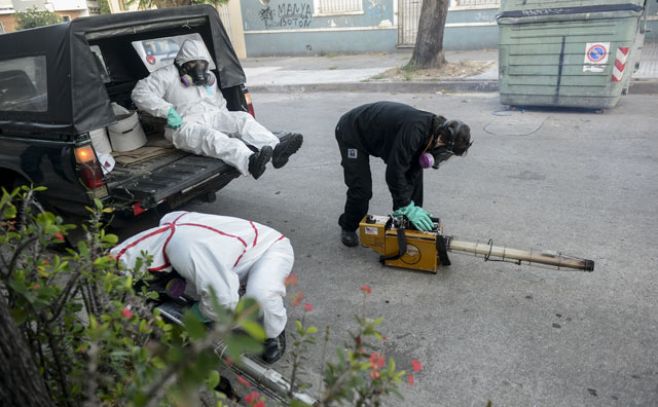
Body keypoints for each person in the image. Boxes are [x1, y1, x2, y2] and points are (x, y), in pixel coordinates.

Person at [110, 211, 293, 364]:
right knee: (217, 284)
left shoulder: (186, 249)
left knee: (261, 295)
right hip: (238, 250)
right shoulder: (169, 227)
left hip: (268, 247)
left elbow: (223, 301)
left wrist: (200, 313)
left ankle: (274, 332)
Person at [132, 39, 302, 180]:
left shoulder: (208, 78)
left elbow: (218, 103)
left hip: (212, 116)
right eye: (193, 64)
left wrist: (227, 120)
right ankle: (249, 161)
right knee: (212, 137)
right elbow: (140, 93)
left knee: (242, 119)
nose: (199, 69)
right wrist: (167, 111)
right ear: (182, 64)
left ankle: (276, 149)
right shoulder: (166, 75)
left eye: (202, 64)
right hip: (184, 125)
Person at [335, 101, 472, 247]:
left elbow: (412, 173)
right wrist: (404, 205)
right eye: (447, 152)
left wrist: (411, 209)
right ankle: (348, 226)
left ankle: (406, 224)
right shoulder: (415, 132)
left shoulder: (438, 131)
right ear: (440, 140)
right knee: (361, 188)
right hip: (353, 132)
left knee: (414, 173)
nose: (444, 157)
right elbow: (395, 172)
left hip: (378, 134)